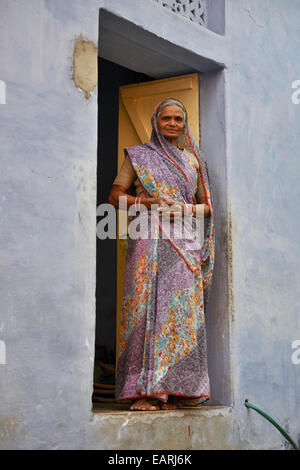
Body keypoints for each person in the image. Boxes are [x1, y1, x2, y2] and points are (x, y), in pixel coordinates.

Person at [108, 98, 215, 411]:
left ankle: (178, 391)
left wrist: (183, 208)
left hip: (184, 245)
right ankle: (146, 391)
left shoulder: (193, 162)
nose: (172, 124)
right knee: (145, 310)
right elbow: (114, 197)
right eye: (166, 118)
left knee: (179, 314)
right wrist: (147, 203)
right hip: (147, 242)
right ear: (156, 121)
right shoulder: (139, 156)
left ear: (184, 124)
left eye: (178, 119)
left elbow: (208, 207)